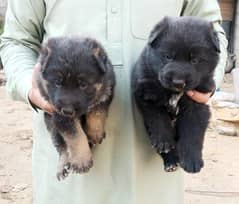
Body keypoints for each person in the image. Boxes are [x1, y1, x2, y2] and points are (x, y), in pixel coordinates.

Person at [0, 0, 227, 203]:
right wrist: (30, 87)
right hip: (70, 148)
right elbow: (17, 40)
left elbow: (212, 30)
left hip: (152, 157)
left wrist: (208, 80)